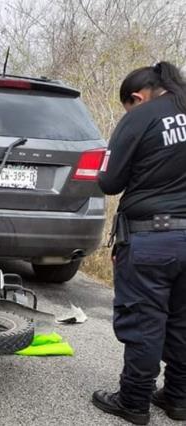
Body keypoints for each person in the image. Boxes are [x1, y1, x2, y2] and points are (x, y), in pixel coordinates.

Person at [93, 61, 186, 425]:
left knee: (145, 320)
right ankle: (178, 398)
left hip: (152, 238)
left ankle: (133, 400)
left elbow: (110, 181)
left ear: (137, 96)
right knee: (181, 321)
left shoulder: (142, 116)